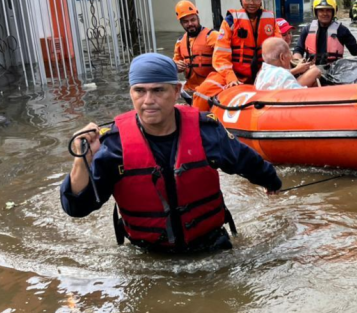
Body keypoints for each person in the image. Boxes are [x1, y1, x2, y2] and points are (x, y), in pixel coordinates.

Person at [61, 53, 282, 253]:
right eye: (140, 91)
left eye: (158, 90)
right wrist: (82, 159)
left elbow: (248, 162)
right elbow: (77, 208)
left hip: (210, 247)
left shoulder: (207, 132)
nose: (148, 101)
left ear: (176, 90)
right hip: (147, 255)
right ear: (131, 93)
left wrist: (273, 183)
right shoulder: (113, 145)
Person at [193, 0, 280, 112]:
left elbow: (279, 52)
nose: (252, 3)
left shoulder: (271, 21)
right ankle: (201, 129)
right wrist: (231, 78)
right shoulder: (230, 21)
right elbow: (221, 56)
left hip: (263, 74)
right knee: (201, 93)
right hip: (233, 74)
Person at [293, 0, 357, 66]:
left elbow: (355, 48)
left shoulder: (342, 30)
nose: (325, 13)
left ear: (333, 12)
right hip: (311, 68)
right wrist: (298, 61)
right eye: (321, 10)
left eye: (328, 10)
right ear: (316, 12)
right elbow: (298, 49)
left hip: (334, 71)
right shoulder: (306, 30)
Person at [172, 0, 218, 98]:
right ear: (181, 23)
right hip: (190, 89)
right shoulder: (180, 41)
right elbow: (174, 63)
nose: (190, 24)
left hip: (212, 88)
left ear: (198, 18)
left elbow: (225, 59)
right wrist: (176, 66)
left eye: (193, 20)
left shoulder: (212, 36)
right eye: (185, 22)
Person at [256, 38, 321, 90]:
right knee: (315, 71)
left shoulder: (261, 74)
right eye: (290, 54)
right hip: (282, 102)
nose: (291, 57)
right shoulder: (283, 74)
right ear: (282, 57)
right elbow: (300, 96)